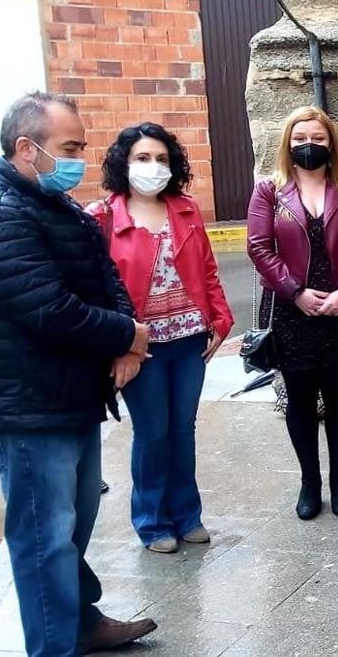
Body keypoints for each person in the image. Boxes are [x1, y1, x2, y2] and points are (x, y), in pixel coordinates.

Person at [0, 92, 158, 655]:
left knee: (69, 529)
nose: (79, 160)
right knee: (43, 540)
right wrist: (126, 335)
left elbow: (104, 276)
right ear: (26, 148)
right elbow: (46, 307)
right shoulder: (4, 213)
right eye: (69, 148)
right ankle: (54, 645)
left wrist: (129, 338)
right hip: (30, 408)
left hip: (72, 399)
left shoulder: (52, 204)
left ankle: (80, 623)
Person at [88, 123, 234, 554]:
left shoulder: (185, 209)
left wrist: (221, 318)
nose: (154, 167)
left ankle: (187, 514)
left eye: (162, 159)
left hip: (189, 337)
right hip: (140, 345)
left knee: (182, 429)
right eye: (142, 158)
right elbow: (98, 286)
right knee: (152, 432)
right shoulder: (104, 217)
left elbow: (207, 270)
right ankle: (152, 522)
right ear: (124, 163)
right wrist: (118, 344)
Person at [247, 106, 338, 521]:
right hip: (292, 311)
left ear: (330, 143)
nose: (309, 145)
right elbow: (259, 247)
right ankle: (310, 481)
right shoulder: (269, 191)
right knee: (300, 400)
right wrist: (295, 292)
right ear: (288, 142)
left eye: (317, 138)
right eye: (300, 138)